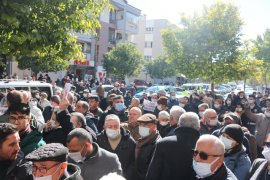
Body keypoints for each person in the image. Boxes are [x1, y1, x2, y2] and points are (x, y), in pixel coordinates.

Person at [146, 112, 200, 180]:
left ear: (178, 125)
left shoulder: (163, 143)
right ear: (198, 127)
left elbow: (153, 172)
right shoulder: (203, 145)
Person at [97, 114, 136, 179]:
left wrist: (124, 176)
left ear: (120, 126)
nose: (113, 129)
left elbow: (133, 163)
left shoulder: (129, 141)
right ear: (104, 127)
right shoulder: (98, 140)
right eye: (110, 127)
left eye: (116, 126)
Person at [132, 113, 161, 180]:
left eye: (145, 125)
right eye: (140, 125)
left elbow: (153, 171)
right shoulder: (141, 140)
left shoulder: (157, 144)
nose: (142, 127)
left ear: (154, 127)